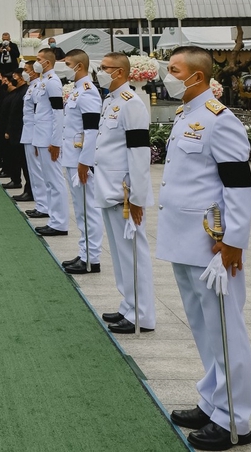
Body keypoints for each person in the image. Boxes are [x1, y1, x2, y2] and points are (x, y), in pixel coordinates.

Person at [158, 46, 251, 451]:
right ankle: (212, 400)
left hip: (211, 243)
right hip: (183, 237)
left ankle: (235, 420)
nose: (166, 75)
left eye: (173, 70)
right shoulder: (186, 116)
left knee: (224, 328)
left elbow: (237, 184)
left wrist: (233, 240)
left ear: (195, 76)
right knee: (203, 327)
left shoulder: (220, 120)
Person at [94, 52, 155, 334]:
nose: (100, 72)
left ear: (119, 72)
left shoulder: (132, 104)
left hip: (125, 192)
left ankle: (141, 315)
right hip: (108, 187)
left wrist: (138, 197)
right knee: (120, 254)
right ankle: (128, 305)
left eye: (104, 68)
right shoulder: (111, 101)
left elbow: (139, 153)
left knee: (132, 253)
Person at [60, 49, 103, 274]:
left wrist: (85, 162)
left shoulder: (88, 92)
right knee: (80, 209)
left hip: (81, 160)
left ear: (79, 66)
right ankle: (85, 252)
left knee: (89, 209)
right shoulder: (77, 91)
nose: (63, 67)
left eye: (67, 64)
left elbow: (92, 130)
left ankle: (91, 259)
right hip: (72, 156)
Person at [33, 48, 69, 238]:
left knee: (55, 181)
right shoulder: (43, 82)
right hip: (42, 137)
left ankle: (60, 223)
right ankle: (53, 219)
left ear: (47, 62)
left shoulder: (53, 83)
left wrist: (55, 142)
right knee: (48, 181)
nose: (36, 62)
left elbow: (57, 113)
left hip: (49, 138)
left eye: (39, 59)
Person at [21, 61, 49, 219]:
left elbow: (39, 113)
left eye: (26, 70)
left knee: (38, 172)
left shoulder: (39, 86)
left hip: (35, 133)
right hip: (29, 131)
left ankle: (44, 206)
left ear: (33, 71)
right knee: (33, 171)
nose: (24, 73)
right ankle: (40, 204)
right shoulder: (31, 87)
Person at [0, 71, 27, 191]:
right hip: (13, 131)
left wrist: (9, 130)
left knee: (20, 160)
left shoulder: (23, 92)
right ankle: (15, 179)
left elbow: (16, 115)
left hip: (19, 131)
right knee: (14, 157)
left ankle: (20, 183)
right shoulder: (15, 93)